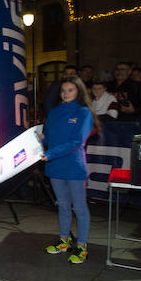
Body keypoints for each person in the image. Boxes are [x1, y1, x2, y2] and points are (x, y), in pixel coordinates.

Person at [40, 76, 99, 264]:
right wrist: (38, 139)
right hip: (55, 165)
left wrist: (51, 153)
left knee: (79, 208)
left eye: (70, 90)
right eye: (63, 90)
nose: (66, 93)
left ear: (79, 92)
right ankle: (64, 240)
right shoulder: (54, 112)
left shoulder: (84, 113)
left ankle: (81, 246)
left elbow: (76, 142)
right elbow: (47, 138)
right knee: (63, 206)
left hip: (73, 166)